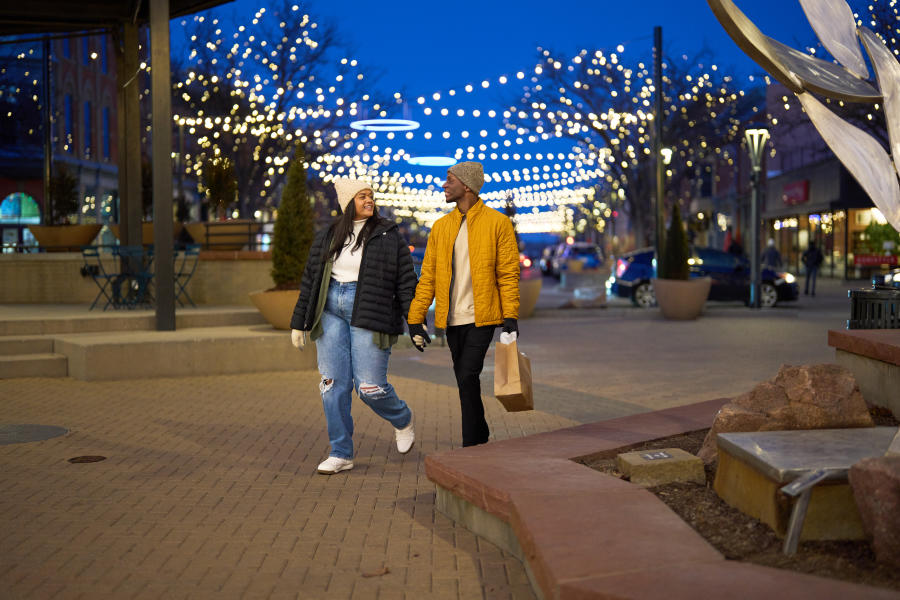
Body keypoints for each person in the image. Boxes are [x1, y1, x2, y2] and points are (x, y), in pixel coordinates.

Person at [290, 178, 418, 475]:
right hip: (331, 309)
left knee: (370, 388)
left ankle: (402, 418)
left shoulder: (388, 235)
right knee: (333, 386)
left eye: (370, 195)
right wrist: (300, 323)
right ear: (348, 202)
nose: (369, 200)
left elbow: (405, 281)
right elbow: (310, 281)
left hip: (370, 310)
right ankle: (341, 453)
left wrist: (415, 322)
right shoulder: (328, 236)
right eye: (362, 196)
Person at [406, 161, 520, 447]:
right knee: (464, 381)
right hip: (451, 320)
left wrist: (511, 317)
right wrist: (415, 318)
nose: (444, 185)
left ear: (466, 186)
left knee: (468, 373)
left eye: (449, 179)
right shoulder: (442, 227)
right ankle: (480, 435)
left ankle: (470, 444)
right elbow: (428, 276)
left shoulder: (498, 223)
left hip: (482, 318)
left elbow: (507, 273)